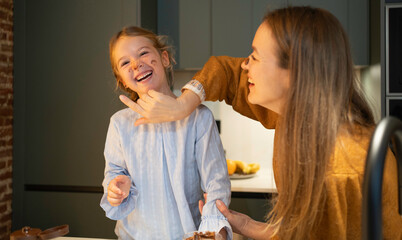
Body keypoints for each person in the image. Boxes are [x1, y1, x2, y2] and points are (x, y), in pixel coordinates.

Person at [119, 6, 402, 240]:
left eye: (254, 56)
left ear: (294, 73)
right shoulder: (298, 117)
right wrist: (183, 104)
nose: (245, 65)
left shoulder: (342, 167)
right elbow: (226, 72)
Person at [100, 26, 232, 240]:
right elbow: (113, 173)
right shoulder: (119, 124)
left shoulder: (199, 117)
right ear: (122, 81)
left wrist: (212, 229)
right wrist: (115, 188)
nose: (136, 64)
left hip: (188, 235)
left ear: (164, 58)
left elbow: (216, 183)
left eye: (143, 53)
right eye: (125, 63)